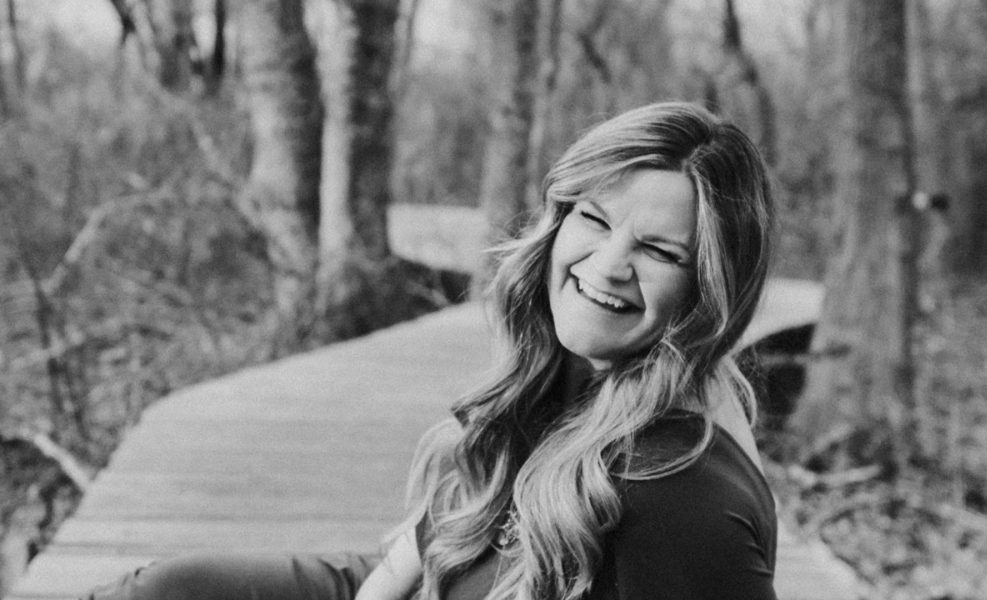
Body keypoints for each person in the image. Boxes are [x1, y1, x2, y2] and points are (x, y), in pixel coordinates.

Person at [82, 101, 776, 600]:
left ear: (708, 292)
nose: (608, 264)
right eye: (594, 218)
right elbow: (422, 552)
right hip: (439, 577)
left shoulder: (683, 499)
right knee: (164, 591)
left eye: (659, 251)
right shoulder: (563, 378)